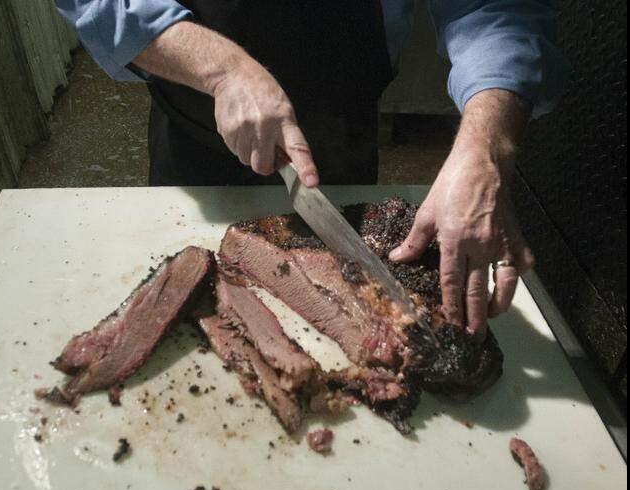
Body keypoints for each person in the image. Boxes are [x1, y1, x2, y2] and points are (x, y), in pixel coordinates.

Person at [54, 0, 569, 339]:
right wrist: (221, 68)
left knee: (361, 282)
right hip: (192, 121)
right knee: (187, 302)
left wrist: (484, 144)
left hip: (341, 127)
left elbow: (492, 8)